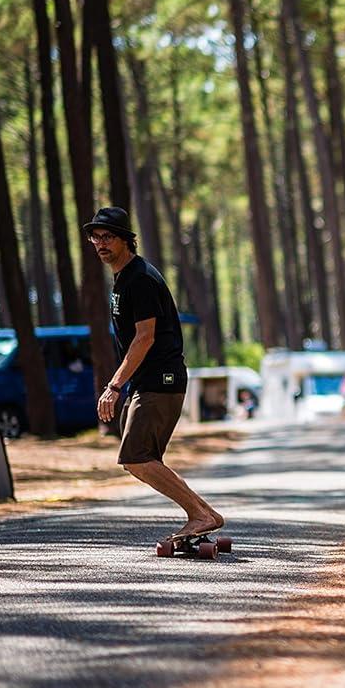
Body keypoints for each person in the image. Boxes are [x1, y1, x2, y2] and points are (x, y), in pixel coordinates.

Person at [85, 206, 225, 540]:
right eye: (95, 237)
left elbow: (145, 337)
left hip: (161, 379)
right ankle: (205, 513)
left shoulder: (140, 279)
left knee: (136, 456)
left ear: (125, 241)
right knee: (139, 457)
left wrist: (114, 385)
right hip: (149, 381)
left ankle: (200, 514)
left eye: (108, 237)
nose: (100, 243)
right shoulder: (124, 278)